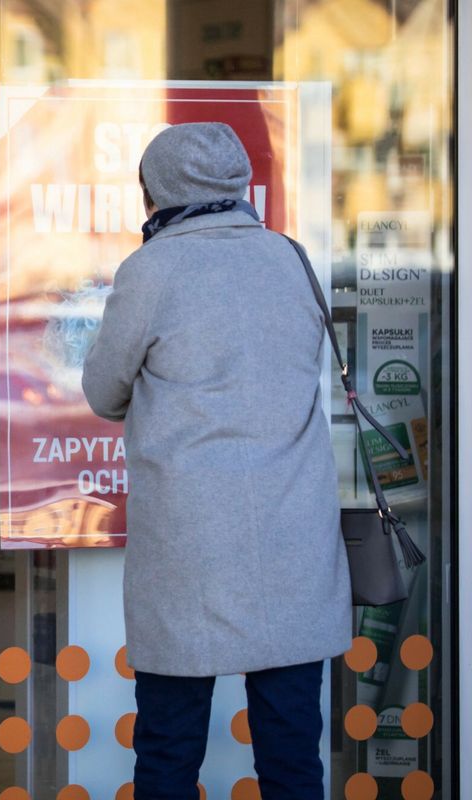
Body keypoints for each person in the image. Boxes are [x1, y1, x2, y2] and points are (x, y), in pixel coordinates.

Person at [82, 122, 350, 800]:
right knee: (292, 755)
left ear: (158, 189)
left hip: (190, 542)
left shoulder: (151, 270)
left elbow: (102, 391)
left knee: (169, 751)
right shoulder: (289, 257)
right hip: (293, 535)